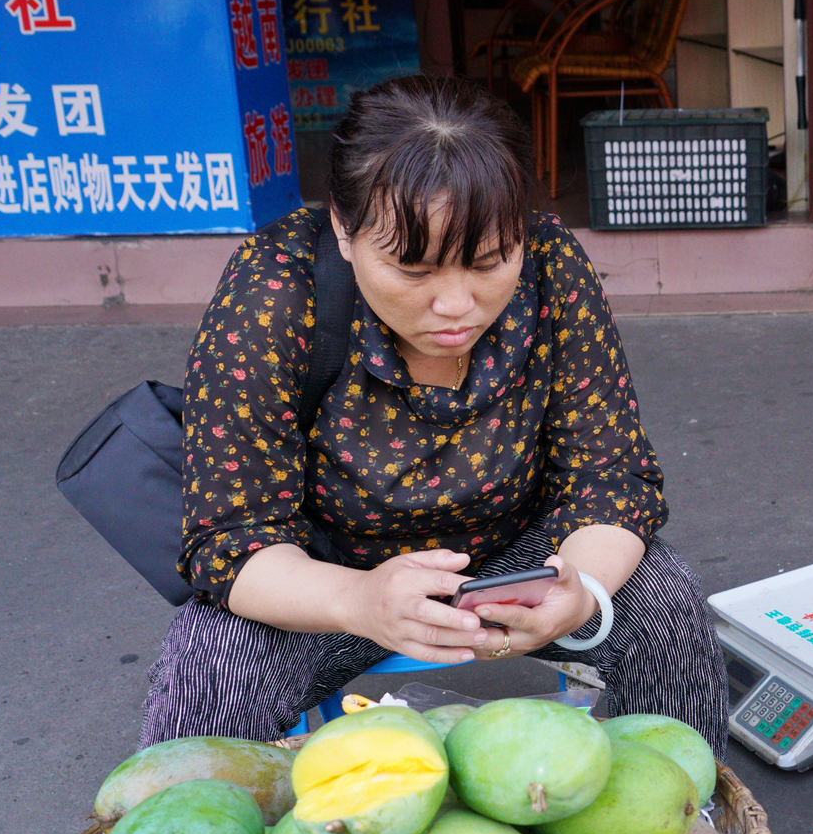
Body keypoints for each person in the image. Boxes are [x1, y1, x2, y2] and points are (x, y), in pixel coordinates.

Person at [139, 74, 728, 752]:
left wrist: (582, 589)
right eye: (414, 270)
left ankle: (691, 830)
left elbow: (610, 479)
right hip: (332, 576)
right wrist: (359, 601)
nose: (455, 305)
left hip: (518, 561)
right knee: (208, 671)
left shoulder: (552, 264)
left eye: (488, 262)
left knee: (665, 600)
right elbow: (231, 538)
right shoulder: (273, 295)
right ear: (343, 224)